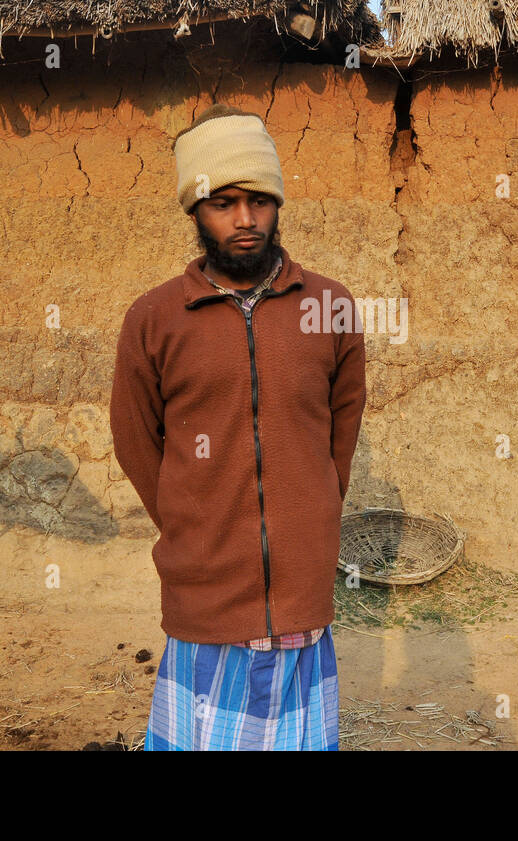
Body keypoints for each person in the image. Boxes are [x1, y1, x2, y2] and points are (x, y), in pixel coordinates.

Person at [109, 104, 367, 750]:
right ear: (195, 211)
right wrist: (189, 516)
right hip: (204, 604)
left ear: (278, 203)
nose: (245, 219)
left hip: (302, 602)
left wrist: (311, 513)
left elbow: (341, 432)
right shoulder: (155, 320)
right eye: (223, 202)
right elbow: (136, 442)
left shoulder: (330, 309)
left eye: (258, 199)